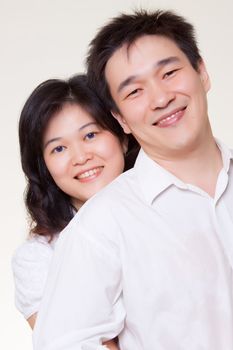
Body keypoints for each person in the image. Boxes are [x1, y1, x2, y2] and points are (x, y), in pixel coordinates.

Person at [33, 9, 233, 350]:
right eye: (134, 92)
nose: (160, 98)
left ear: (202, 72)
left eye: (169, 73)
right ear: (120, 119)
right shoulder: (101, 226)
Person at [12, 74, 138, 350]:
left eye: (91, 135)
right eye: (58, 148)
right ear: (44, 167)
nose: (81, 157)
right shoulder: (38, 258)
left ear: (123, 136)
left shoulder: (173, 209)